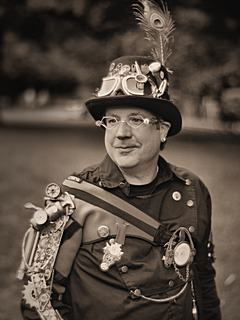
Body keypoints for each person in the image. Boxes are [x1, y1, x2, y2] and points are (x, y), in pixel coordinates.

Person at [19, 1, 221, 320]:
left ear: (163, 129)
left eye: (136, 119)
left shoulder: (193, 190)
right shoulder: (74, 199)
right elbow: (39, 301)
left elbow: (203, 280)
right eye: (111, 121)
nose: (121, 134)